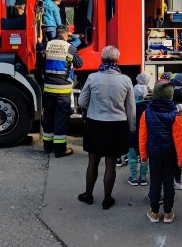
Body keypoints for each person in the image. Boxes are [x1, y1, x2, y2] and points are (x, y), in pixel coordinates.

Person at [77, 46, 135, 210]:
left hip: (95, 123)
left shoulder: (92, 78)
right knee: (110, 164)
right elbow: (130, 107)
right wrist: (131, 128)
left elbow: (82, 102)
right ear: (118, 60)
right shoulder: (126, 80)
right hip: (117, 126)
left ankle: (88, 195)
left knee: (92, 162)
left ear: (101, 60)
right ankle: (107, 199)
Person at [140, 82, 182, 224]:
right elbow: (178, 139)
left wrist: (143, 155)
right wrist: (181, 159)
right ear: (170, 96)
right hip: (170, 154)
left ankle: (154, 212)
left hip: (154, 153)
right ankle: (167, 213)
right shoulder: (175, 115)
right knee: (168, 183)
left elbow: (143, 136)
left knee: (155, 182)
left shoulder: (146, 113)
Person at [41, 26, 83, 158]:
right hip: (62, 89)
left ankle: (48, 148)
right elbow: (79, 63)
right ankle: (59, 150)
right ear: (66, 34)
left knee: (48, 117)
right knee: (61, 119)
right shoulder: (69, 47)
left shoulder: (47, 45)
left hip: (48, 87)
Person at [126, 73, 152, 186]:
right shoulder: (149, 107)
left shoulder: (130, 107)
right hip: (145, 137)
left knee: (132, 157)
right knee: (144, 157)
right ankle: (143, 178)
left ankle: (133, 177)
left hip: (132, 136)